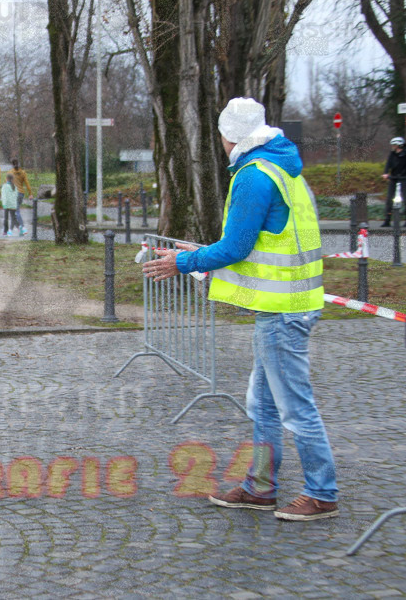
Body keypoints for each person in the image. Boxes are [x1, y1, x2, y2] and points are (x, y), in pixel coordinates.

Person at [142, 97, 337, 521]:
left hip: (284, 311)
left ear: (229, 136)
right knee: (264, 406)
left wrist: (183, 262)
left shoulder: (253, 176)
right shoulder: (284, 168)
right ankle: (259, 487)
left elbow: (236, 247)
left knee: (294, 407)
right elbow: (258, 243)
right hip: (290, 306)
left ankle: (322, 493)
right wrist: (192, 255)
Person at [382, 136, 406, 227]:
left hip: (403, 178)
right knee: (389, 198)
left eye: (394, 145)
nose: (392, 146)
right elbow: (388, 164)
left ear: (399, 145)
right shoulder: (392, 154)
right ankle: (387, 220)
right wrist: (386, 173)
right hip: (393, 178)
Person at [10, 158, 32, 236]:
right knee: (16, 211)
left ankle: (22, 227)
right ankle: (19, 229)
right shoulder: (23, 172)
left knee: (15, 212)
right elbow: (27, 183)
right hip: (21, 193)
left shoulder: (10, 173)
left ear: (12, 164)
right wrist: (30, 193)